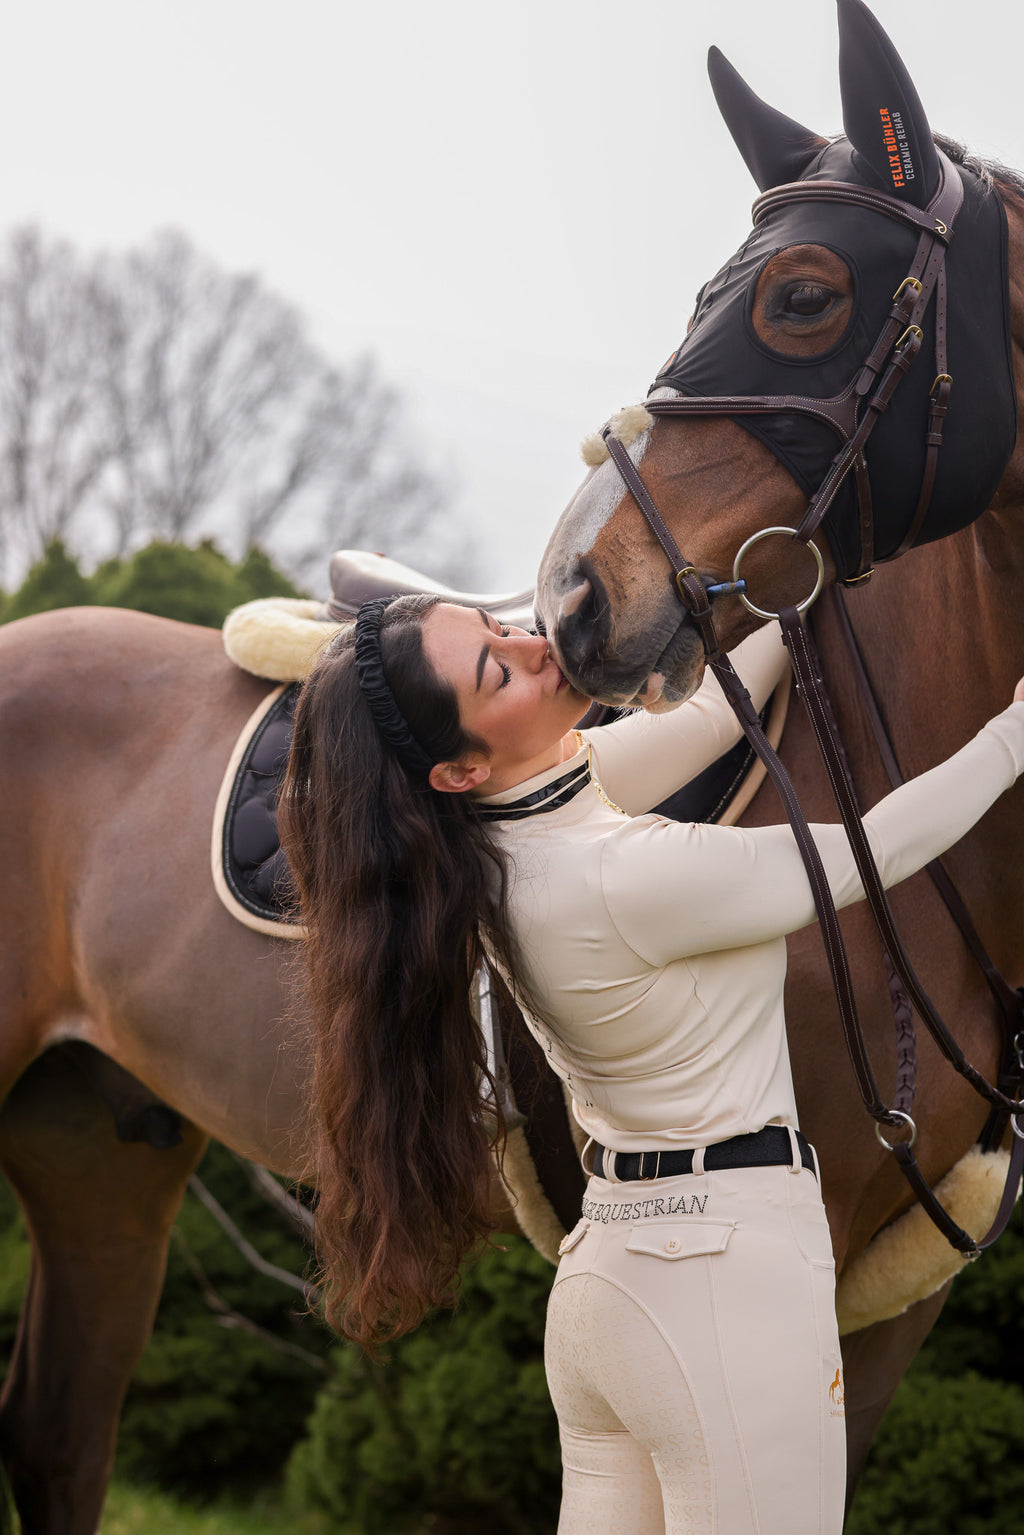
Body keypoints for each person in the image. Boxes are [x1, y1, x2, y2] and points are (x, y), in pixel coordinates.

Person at [279, 593, 1024, 1535]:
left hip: (612, 1287)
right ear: (460, 768)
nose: (534, 645)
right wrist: (1012, 736)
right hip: (724, 1288)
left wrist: (789, 587)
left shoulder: (504, 836)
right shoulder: (618, 875)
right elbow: (869, 855)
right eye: (499, 671)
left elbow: (713, 718)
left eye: (499, 627)